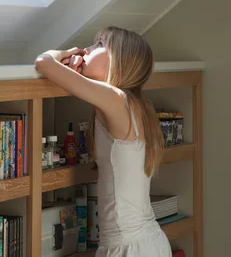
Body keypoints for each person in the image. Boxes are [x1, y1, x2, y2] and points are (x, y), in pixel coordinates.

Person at [34, 26, 171, 257]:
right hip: (146, 241)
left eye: (99, 45)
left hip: (129, 246)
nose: (86, 49)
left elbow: (43, 62)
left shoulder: (116, 99)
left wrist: (65, 53)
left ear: (119, 60)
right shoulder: (133, 104)